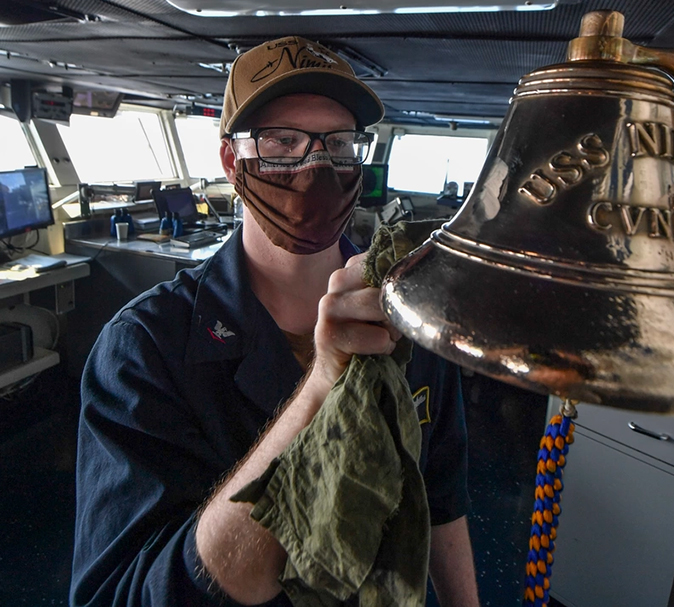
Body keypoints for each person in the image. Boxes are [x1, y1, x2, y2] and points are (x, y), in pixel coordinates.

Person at [71, 36, 479, 606]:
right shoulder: (142, 348)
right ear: (232, 161)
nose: (315, 165)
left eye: (337, 143)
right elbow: (124, 594)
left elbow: (440, 493)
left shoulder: (410, 310)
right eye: (282, 142)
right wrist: (320, 387)